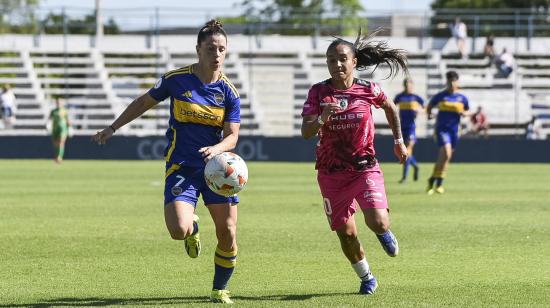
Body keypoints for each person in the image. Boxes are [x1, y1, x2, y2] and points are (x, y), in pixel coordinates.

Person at [92, 20, 241, 304]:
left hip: (216, 171)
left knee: (228, 232)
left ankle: (219, 288)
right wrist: (112, 128)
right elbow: (143, 102)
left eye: (222, 49)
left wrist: (217, 148)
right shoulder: (176, 79)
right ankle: (192, 229)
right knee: (178, 230)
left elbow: (232, 136)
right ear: (198, 50)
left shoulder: (229, 93)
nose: (217, 54)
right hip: (182, 166)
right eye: (211, 48)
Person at [301, 29, 408, 295]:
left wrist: (398, 142)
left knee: (379, 222)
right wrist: (323, 116)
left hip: (364, 167)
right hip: (331, 173)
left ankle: (383, 232)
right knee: (346, 234)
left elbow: (391, 108)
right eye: (330, 60)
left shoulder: (368, 89)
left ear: (354, 62)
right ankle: (367, 277)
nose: (336, 64)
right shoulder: (318, 93)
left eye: (341, 59)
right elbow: (306, 131)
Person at [426, 71, 470, 195]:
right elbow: (430, 105)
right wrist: (429, 114)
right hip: (441, 129)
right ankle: (438, 183)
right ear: (447, 82)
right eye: (449, 81)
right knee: (446, 151)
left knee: (446, 157)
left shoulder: (462, 98)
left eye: (454, 81)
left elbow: (467, 111)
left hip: (454, 131)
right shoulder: (441, 96)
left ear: (457, 82)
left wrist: (465, 113)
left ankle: (433, 180)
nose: (451, 83)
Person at [394, 78, 424, 183]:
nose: (407, 86)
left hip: (411, 127)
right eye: (406, 84)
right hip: (402, 127)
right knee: (405, 151)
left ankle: (404, 177)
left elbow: (424, 108)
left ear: (412, 86)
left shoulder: (416, 98)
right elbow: (392, 107)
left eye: (409, 84)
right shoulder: (400, 97)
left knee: (408, 150)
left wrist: (419, 111)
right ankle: (415, 166)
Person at [48, 97, 70, 163]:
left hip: (63, 129)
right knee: (55, 144)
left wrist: (70, 128)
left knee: (61, 143)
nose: (58, 103)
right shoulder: (53, 111)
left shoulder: (64, 111)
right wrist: (47, 124)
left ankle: (59, 157)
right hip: (55, 129)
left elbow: (67, 120)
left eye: (59, 102)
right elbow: (49, 119)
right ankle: (57, 156)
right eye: (57, 102)